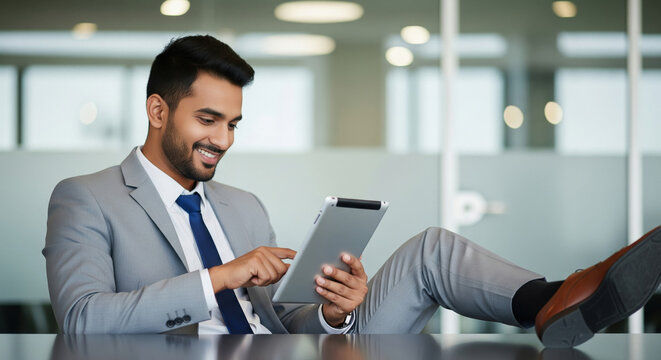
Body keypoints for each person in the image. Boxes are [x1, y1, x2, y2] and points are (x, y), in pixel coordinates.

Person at [43, 35, 661, 348]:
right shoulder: (87, 197)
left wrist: (335, 314)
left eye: (232, 124)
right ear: (157, 110)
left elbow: (281, 321)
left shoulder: (240, 206)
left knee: (432, 249)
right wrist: (219, 278)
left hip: (290, 355)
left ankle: (553, 298)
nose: (223, 140)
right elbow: (80, 320)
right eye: (207, 120)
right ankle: (568, 295)